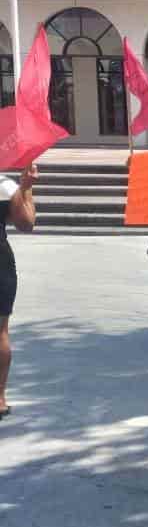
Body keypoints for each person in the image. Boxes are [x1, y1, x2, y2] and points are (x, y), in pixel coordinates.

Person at [0, 164, 37, 420]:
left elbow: (26, 224)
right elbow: (26, 223)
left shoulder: (5, 184)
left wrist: (25, 188)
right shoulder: (3, 184)